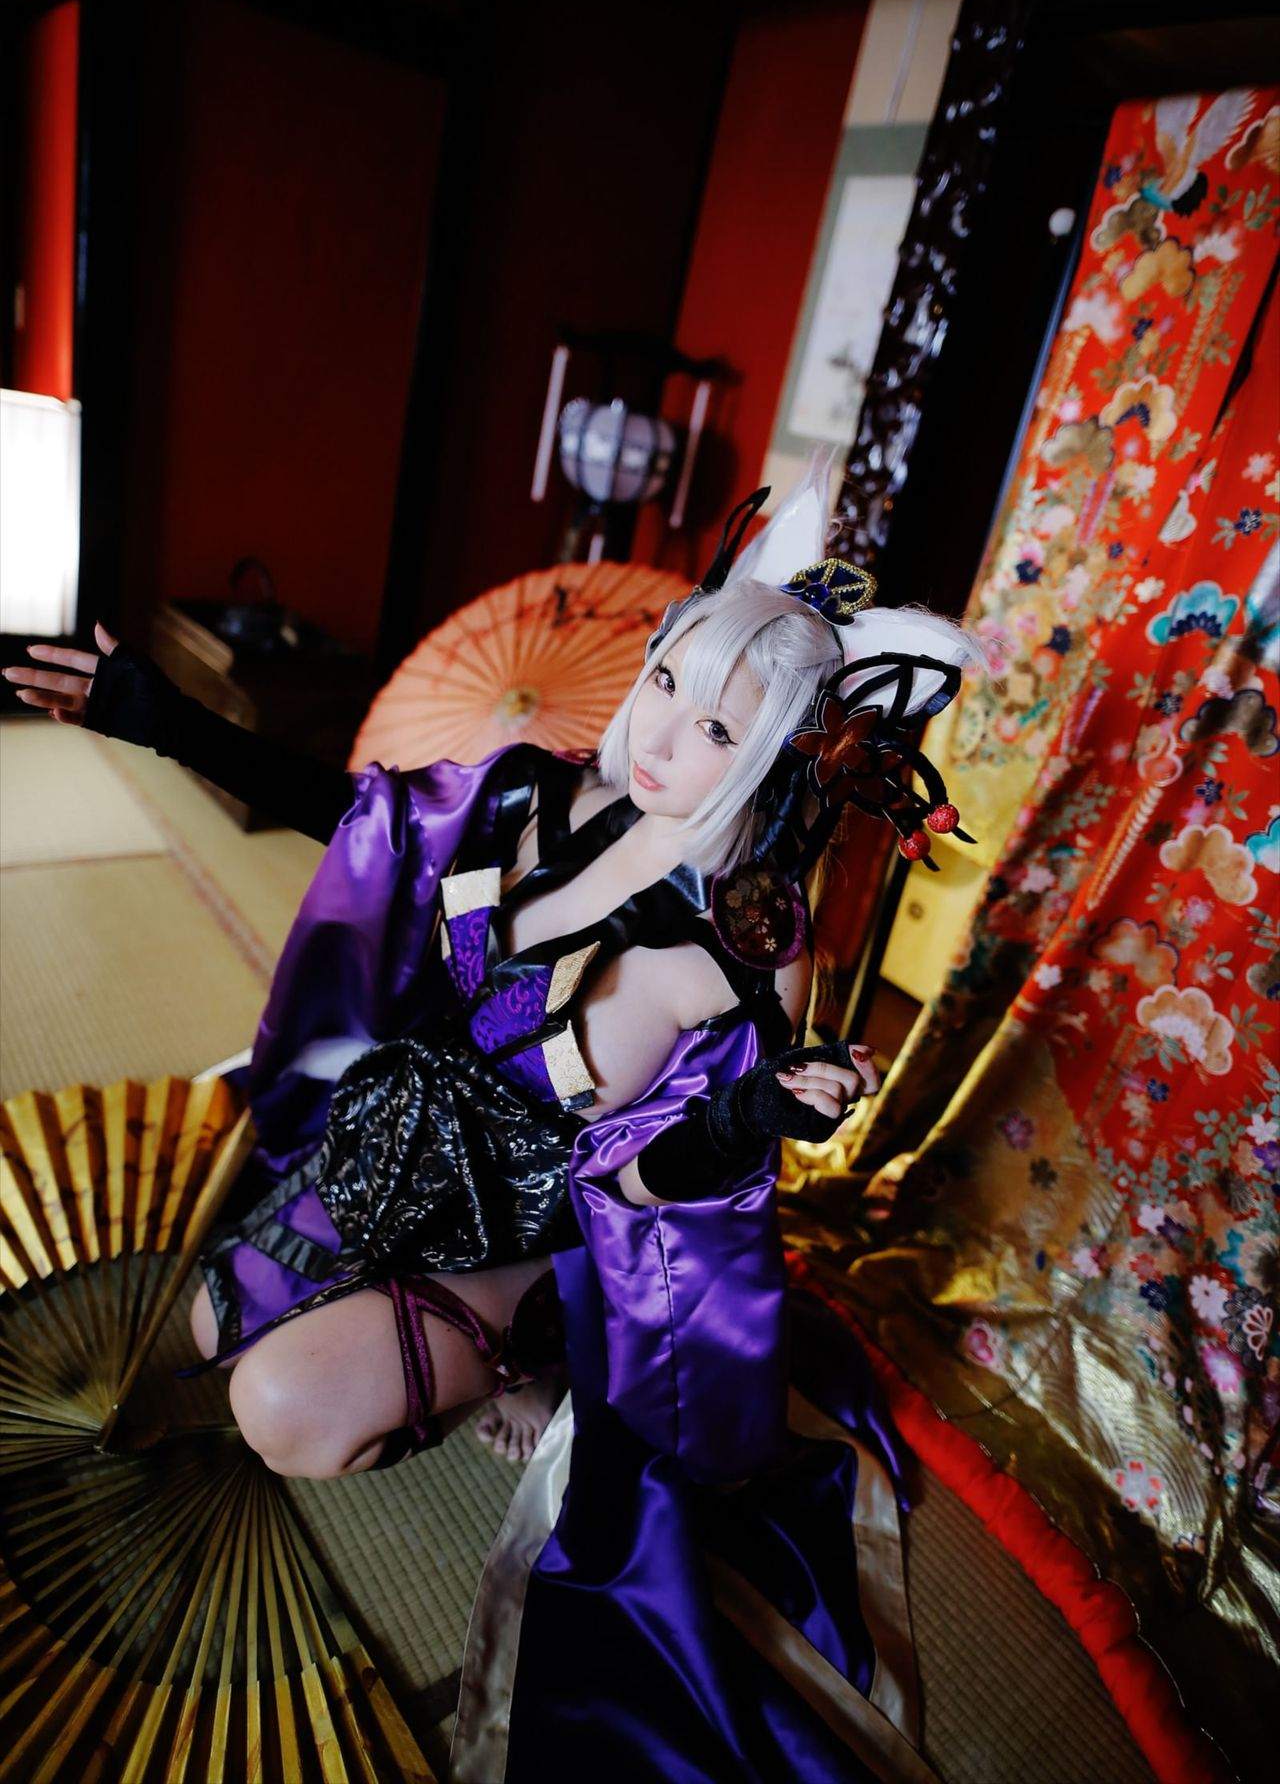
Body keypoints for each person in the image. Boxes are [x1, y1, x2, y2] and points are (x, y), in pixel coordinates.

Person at [5, 482, 979, 1778]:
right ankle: (409, 1320)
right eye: (666, 679)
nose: (660, 736)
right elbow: (359, 818)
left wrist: (755, 1109)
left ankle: (528, 1362)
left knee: (279, 1407)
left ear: (779, 759)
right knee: (203, 1323)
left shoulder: (746, 953)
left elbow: (678, 1189)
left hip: (543, 1235)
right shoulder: (528, 793)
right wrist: (161, 718)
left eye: (716, 725)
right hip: (391, 1147)